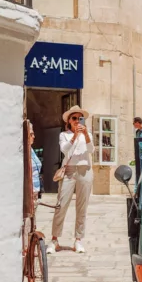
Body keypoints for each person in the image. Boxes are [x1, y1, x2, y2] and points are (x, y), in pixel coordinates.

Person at [49, 106, 94, 255]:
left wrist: (85, 134)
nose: (76, 121)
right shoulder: (64, 135)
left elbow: (91, 150)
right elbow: (65, 150)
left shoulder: (88, 134)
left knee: (82, 206)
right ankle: (54, 239)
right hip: (69, 171)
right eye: (74, 118)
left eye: (79, 118)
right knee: (61, 205)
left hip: (84, 170)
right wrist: (74, 136)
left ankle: (78, 239)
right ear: (68, 120)